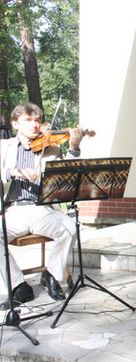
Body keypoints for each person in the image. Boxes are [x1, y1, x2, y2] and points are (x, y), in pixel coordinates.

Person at [0, 102, 87, 309]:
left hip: (42, 209)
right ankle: (19, 286)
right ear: (15, 124)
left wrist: (74, 147)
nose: (34, 125)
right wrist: (13, 171)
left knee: (69, 228)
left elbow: (67, 177)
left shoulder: (51, 147)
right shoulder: (4, 147)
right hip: (13, 209)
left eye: (37, 120)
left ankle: (51, 274)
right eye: (28, 120)